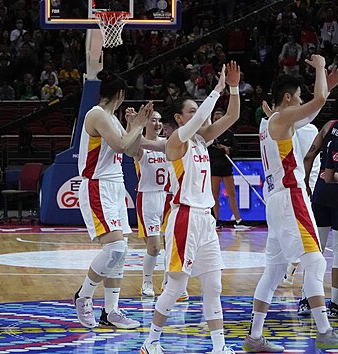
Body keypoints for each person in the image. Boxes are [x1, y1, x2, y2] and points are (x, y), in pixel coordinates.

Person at [141, 62, 240, 354]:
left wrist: (232, 87)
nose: (197, 116)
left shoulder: (200, 139)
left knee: (214, 284)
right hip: (183, 216)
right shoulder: (176, 141)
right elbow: (198, 121)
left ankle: (219, 347)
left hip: (205, 219)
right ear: (178, 117)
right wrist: (216, 89)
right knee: (175, 285)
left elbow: (233, 115)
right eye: (190, 111)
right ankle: (151, 342)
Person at [242, 54, 338, 351]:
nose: (301, 102)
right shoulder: (282, 118)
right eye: (298, 97)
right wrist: (321, 68)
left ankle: (255, 337)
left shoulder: (274, 121)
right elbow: (318, 101)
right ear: (287, 97)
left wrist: (326, 89)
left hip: (277, 201)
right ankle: (323, 330)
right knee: (315, 260)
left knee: (273, 271)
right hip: (291, 196)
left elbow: (313, 107)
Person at [72, 70, 150, 329]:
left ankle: (111, 311)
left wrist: (133, 127)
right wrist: (136, 125)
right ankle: (83, 296)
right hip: (98, 185)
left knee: (120, 253)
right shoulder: (96, 114)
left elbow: (132, 150)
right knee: (115, 249)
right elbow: (119, 146)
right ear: (121, 95)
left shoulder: (113, 120)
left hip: (115, 186)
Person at [133, 110, 172, 297]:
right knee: (155, 247)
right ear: (145, 123)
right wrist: (133, 123)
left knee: (171, 244)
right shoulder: (140, 146)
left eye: (159, 120)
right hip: (148, 198)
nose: (157, 124)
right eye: (153, 120)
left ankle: (168, 282)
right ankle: (146, 283)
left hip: (169, 198)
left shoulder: (167, 144)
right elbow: (129, 143)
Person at [303, 116, 338, 318]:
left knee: (315, 251)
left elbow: (309, 156)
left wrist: (306, 182)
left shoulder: (328, 126)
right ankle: (335, 304)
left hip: (321, 194)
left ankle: (306, 300)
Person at [207, 107, 251, 230]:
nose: (217, 120)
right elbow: (208, 152)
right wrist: (220, 150)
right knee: (214, 195)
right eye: (215, 119)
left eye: (219, 119)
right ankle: (217, 220)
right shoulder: (210, 135)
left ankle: (238, 220)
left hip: (226, 167)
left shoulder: (229, 134)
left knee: (232, 194)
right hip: (214, 167)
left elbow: (236, 150)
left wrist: (228, 149)